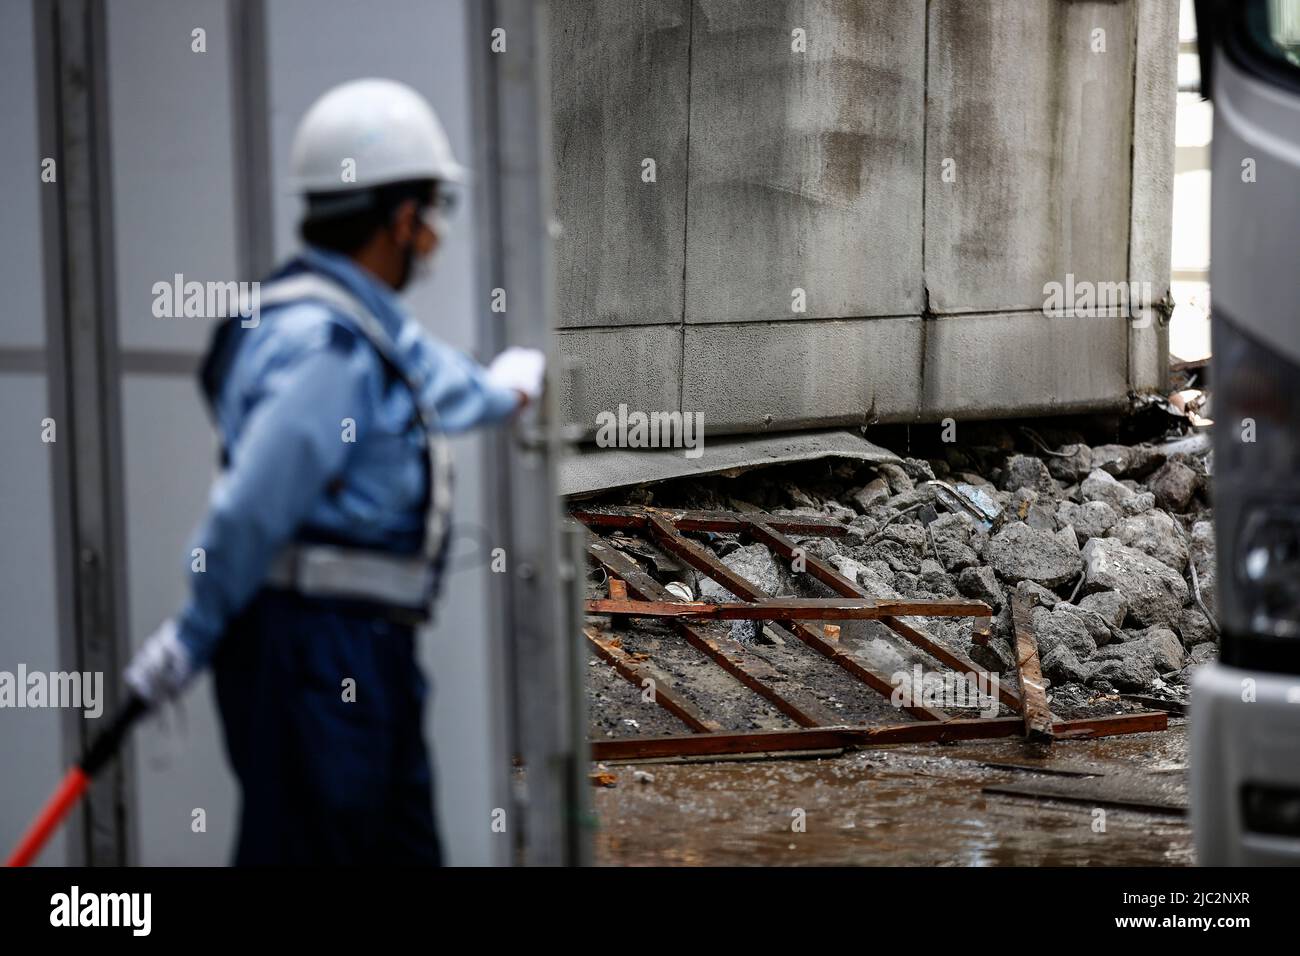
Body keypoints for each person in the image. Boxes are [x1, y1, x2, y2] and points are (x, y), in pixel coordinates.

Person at [123, 78, 544, 865]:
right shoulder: (326, 347)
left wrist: (507, 389)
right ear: (400, 217)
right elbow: (252, 506)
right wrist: (194, 631)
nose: (434, 241)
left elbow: (436, 384)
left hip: (364, 652)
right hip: (313, 654)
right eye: (430, 218)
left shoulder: (360, 322)